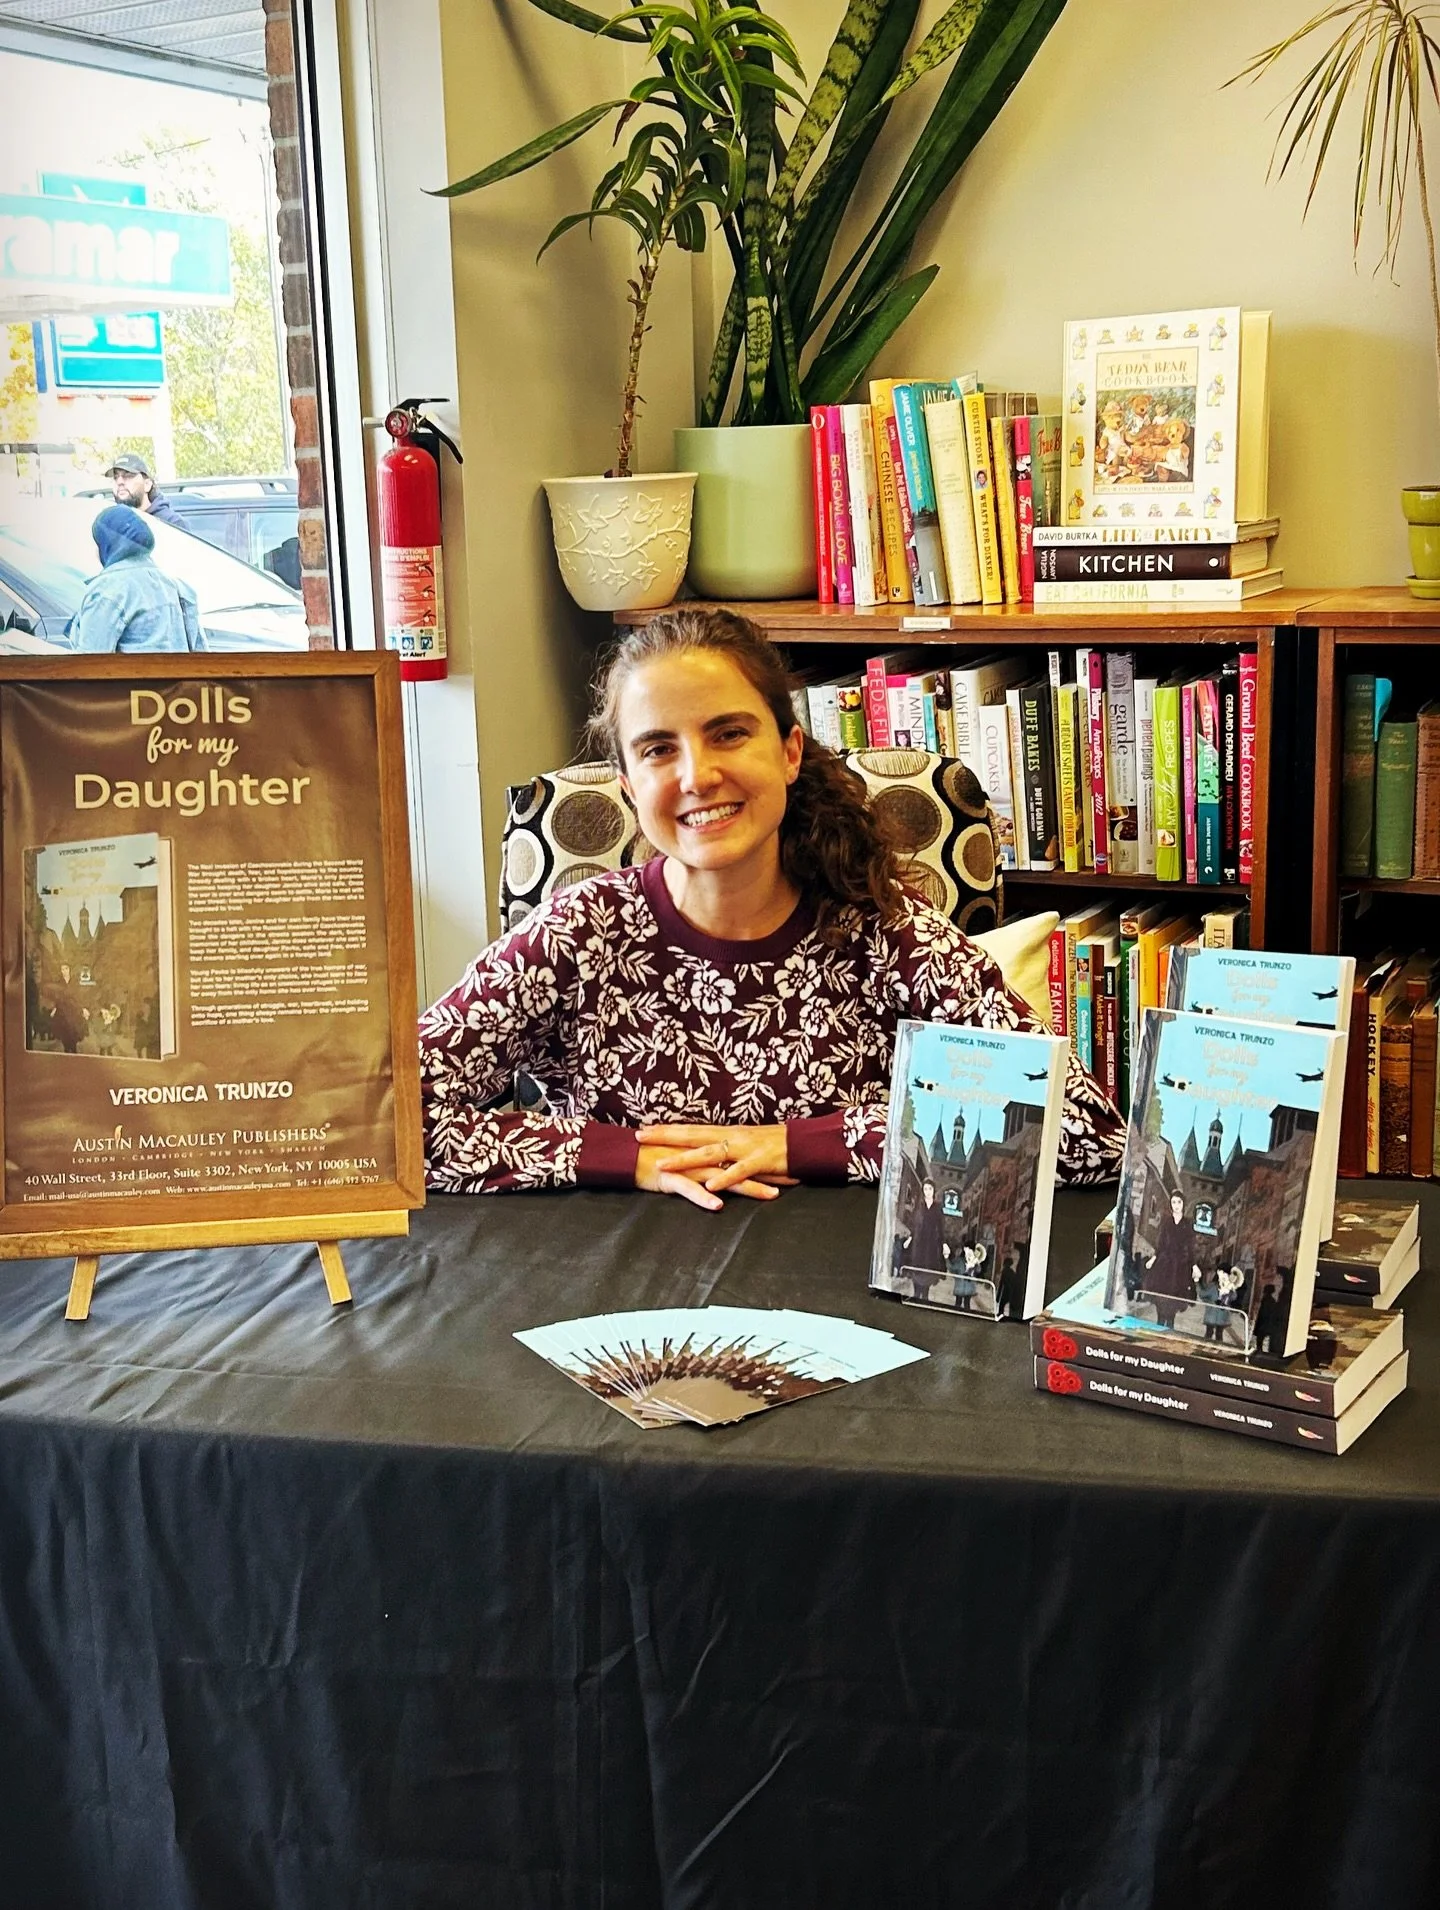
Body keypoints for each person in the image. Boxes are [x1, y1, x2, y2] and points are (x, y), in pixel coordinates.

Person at [418, 608, 1124, 1206]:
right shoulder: (577, 932)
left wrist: (800, 1143)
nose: (698, 775)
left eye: (728, 733)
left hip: (846, 1305)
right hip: (613, 1302)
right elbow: (377, 1128)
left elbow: (1085, 1131)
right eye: (660, 749)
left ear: (789, 752)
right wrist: (621, 1155)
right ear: (630, 787)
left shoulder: (883, 927)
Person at [66, 506, 202, 654]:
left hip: (133, 676)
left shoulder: (108, 589)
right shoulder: (177, 587)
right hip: (177, 676)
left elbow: (89, 665)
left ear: (106, 544)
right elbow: (202, 657)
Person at [106, 453, 180, 524]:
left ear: (147, 484)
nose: (119, 482)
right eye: (115, 477)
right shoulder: (113, 525)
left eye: (128, 475)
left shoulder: (171, 523)